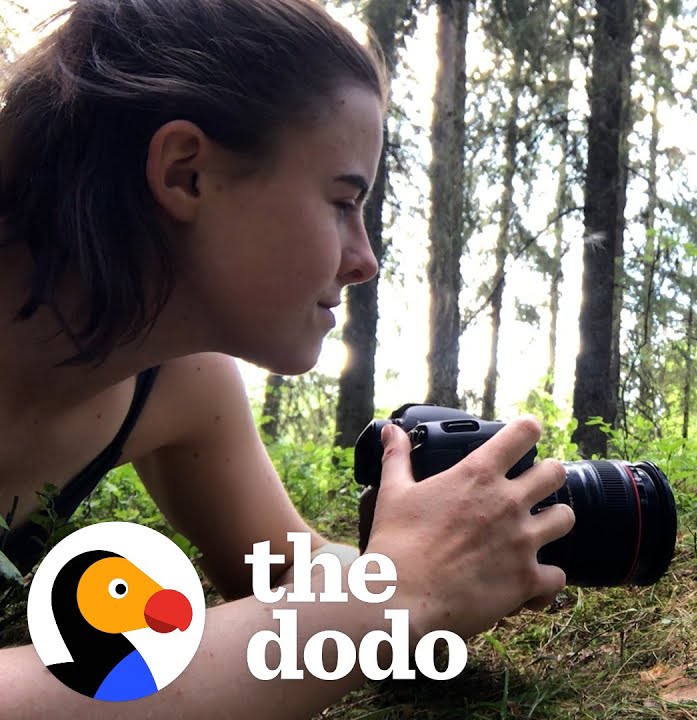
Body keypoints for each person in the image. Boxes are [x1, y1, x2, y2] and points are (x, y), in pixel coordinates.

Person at [0, 0, 575, 716]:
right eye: (342, 202)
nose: (366, 260)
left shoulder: (181, 381)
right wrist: (389, 600)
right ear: (186, 174)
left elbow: (284, 568)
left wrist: (457, 554)